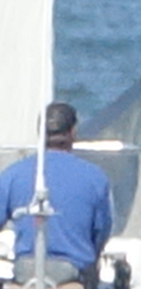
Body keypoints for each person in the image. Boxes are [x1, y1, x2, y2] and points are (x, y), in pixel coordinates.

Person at [0, 103, 113, 289]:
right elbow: (100, 232)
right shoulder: (95, 177)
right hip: (72, 274)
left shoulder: (12, 175)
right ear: (73, 132)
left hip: (25, 272)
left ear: (40, 134)